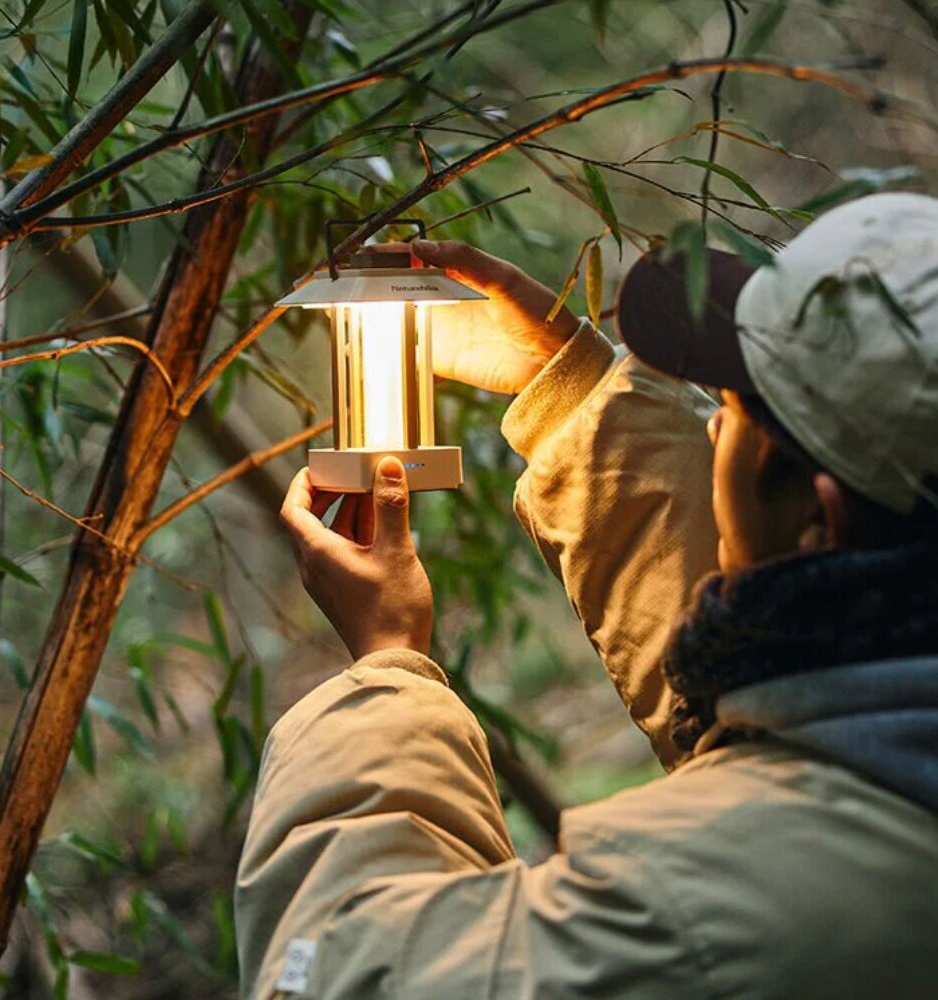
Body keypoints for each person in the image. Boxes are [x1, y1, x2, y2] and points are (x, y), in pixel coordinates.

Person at [235, 192, 938, 998]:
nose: (712, 428)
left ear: (821, 516)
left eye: (739, 411)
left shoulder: (700, 915)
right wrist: (574, 389)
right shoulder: (878, 754)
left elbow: (338, 973)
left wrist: (387, 669)